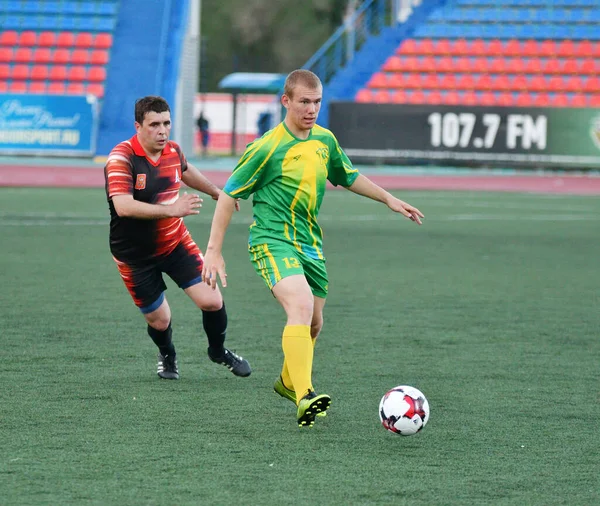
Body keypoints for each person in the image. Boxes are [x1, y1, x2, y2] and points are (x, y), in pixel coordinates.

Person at [201, 70, 423, 428]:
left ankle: (288, 382)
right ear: (285, 101)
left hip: (310, 244)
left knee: (314, 323)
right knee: (301, 306)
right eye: (304, 101)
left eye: (317, 101)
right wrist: (214, 250)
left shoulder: (324, 140)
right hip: (272, 241)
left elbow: (347, 175)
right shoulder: (266, 147)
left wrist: (388, 199)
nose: (312, 109)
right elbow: (229, 194)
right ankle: (304, 396)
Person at [104, 95, 251, 381]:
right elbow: (122, 206)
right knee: (160, 321)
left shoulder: (172, 150)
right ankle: (167, 354)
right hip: (134, 256)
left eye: (167, 123)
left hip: (175, 244)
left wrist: (215, 191)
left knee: (212, 301)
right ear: (138, 126)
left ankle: (218, 351)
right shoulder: (122, 158)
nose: (162, 131)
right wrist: (172, 210)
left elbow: (185, 170)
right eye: (154, 124)